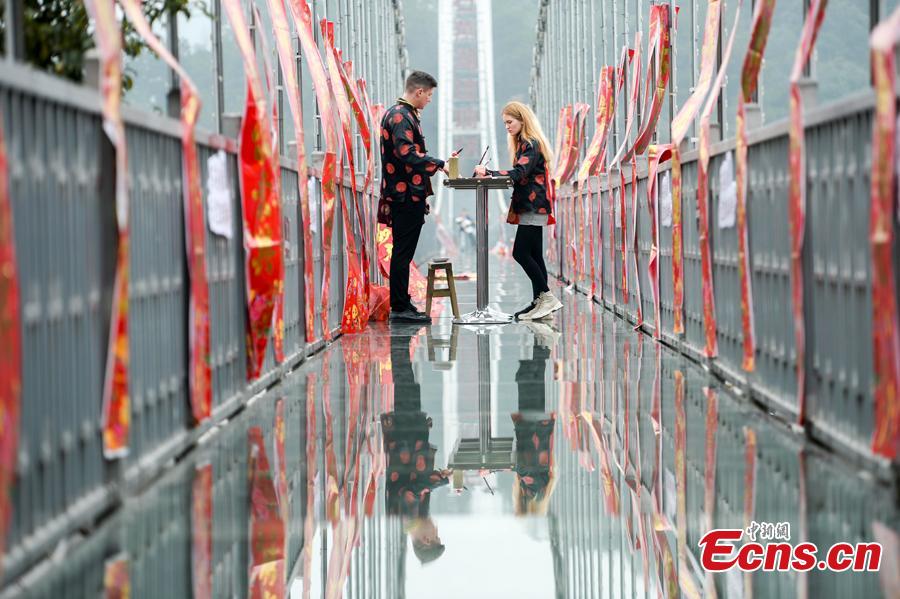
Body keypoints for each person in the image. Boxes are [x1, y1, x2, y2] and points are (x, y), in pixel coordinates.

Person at [474, 101, 562, 321]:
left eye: (510, 122)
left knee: (520, 253)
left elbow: (520, 172)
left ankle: (547, 297)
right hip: (532, 205)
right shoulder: (525, 144)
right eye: (504, 123)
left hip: (533, 205)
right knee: (534, 255)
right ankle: (539, 303)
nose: (507, 127)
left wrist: (490, 172)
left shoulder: (531, 144)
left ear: (522, 120)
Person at [378, 70, 452, 324]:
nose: (430, 100)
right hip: (405, 195)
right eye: (429, 95)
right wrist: (439, 163)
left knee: (403, 252)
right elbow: (406, 152)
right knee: (402, 252)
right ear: (418, 91)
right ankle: (399, 307)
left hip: (405, 193)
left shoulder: (402, 114)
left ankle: (402, 302)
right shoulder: (401, 116)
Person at [381, 324, 451, 564]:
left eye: (436, 535)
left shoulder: (406, 517)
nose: (436, 529)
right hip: (409, 434)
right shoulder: (411, 518)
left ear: (426, 540)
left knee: (405, 381)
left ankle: (400, 340)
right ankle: (401, 342)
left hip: (405, 433)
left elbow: (413, 489)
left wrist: (440, 481)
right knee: (407, 382)